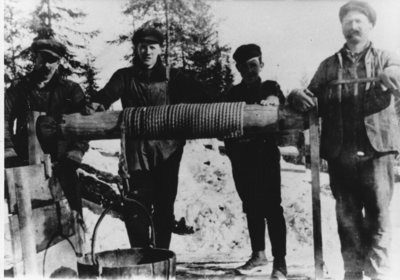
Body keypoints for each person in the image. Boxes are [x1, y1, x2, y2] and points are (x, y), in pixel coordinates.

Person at [288, 1, 400, 279]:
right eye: (348, 22)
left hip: (376, 154)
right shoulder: (328, 66)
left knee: (378, 219)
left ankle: (377, 275)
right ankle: (352, 274)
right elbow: (308, 99)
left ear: (371, 26)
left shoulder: (386, 58)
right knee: (347, 221)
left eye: (359, 21)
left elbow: (398, 72)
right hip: (341, 155)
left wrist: (392, 74)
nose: (353, 27)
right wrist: (294, 94)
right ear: (342, 28)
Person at [91, 26, 208, 249]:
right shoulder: (124, 77)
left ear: (160, 49)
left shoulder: (172, 76)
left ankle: (161, 257)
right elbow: (106, 95)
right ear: (136, 49)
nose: (147, 51)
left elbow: (203, 95)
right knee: (135, 208)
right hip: (136, 155)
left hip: (167, 153)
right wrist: (97, 103)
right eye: (142, 46)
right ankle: (141, 258)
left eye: (152, 47)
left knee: (164, 207)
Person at [4, 37, 89, 216]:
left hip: (63, 163)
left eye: (53, 61)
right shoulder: (20, 88)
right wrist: (8, 149)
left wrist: (76, 151)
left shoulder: (71, 90)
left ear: (59, 63)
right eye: (43, 59)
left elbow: (83, 124)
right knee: (27, 220)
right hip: (25, 164)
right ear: (35, 58)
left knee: (71, 218)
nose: (47, 65)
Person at [223, 44, 287, 279]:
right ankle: (258, 255)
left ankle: (280, 263)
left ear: (261, 64)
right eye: (244, 66)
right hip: (242, 160)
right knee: (251, 207)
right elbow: (223, 121)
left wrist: (272, 101)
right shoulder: (232, 94)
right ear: (238, 68)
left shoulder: (269, 86)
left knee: (272, 208)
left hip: (265, 158)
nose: (250, 70)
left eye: (254, 65)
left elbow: (276, 97)